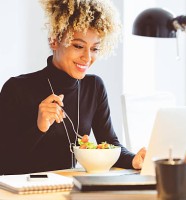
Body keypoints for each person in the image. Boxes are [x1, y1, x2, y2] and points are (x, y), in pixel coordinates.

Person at [0, 0, 146, 175]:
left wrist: (133, 160)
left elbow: (110, 144)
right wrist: (39, 127)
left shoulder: (94, 87)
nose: (87, 57)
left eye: (94, 49)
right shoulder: (17, 89)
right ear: (54, 40)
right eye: (78, 46)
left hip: (69, 188)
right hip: (24, 191)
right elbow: (5, 162)